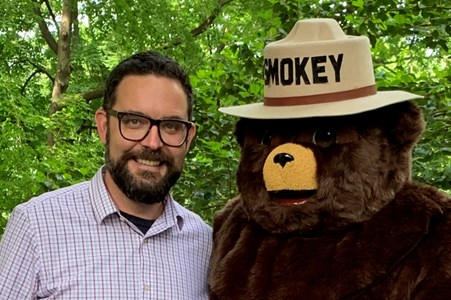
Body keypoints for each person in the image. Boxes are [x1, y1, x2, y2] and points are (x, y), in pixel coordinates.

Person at [0, 51, 212, 299]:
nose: (153, 142)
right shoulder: (36, 226)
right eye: (134, 121)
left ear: (188, 137)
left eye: (171, 126)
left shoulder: (206, 244)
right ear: (103, 127)